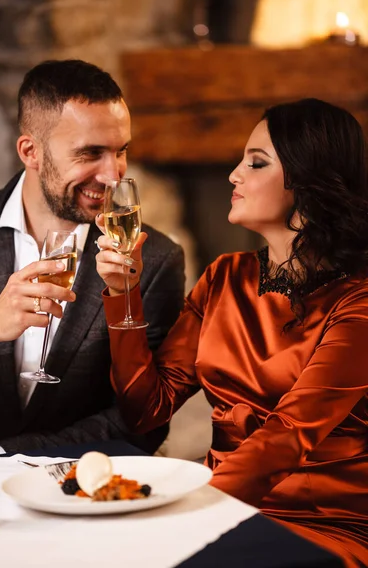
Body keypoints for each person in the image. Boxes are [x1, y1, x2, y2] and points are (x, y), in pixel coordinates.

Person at [96, 98, 368, 568]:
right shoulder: (225, 276)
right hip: (222, 508)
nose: (233, 175)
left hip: (319, 524)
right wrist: (123, 293)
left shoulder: (357, 303)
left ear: (306, 181)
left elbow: (286, 437)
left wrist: (183, 515)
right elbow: (146, 408)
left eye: (256, 162)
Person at [0, 59, 185, 454]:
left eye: (121, 151)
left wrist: (2, 455)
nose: (113, 175)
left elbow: (141, 423)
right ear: (30, 151)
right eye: (91, 153)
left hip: (79, 494)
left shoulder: (153, 261)